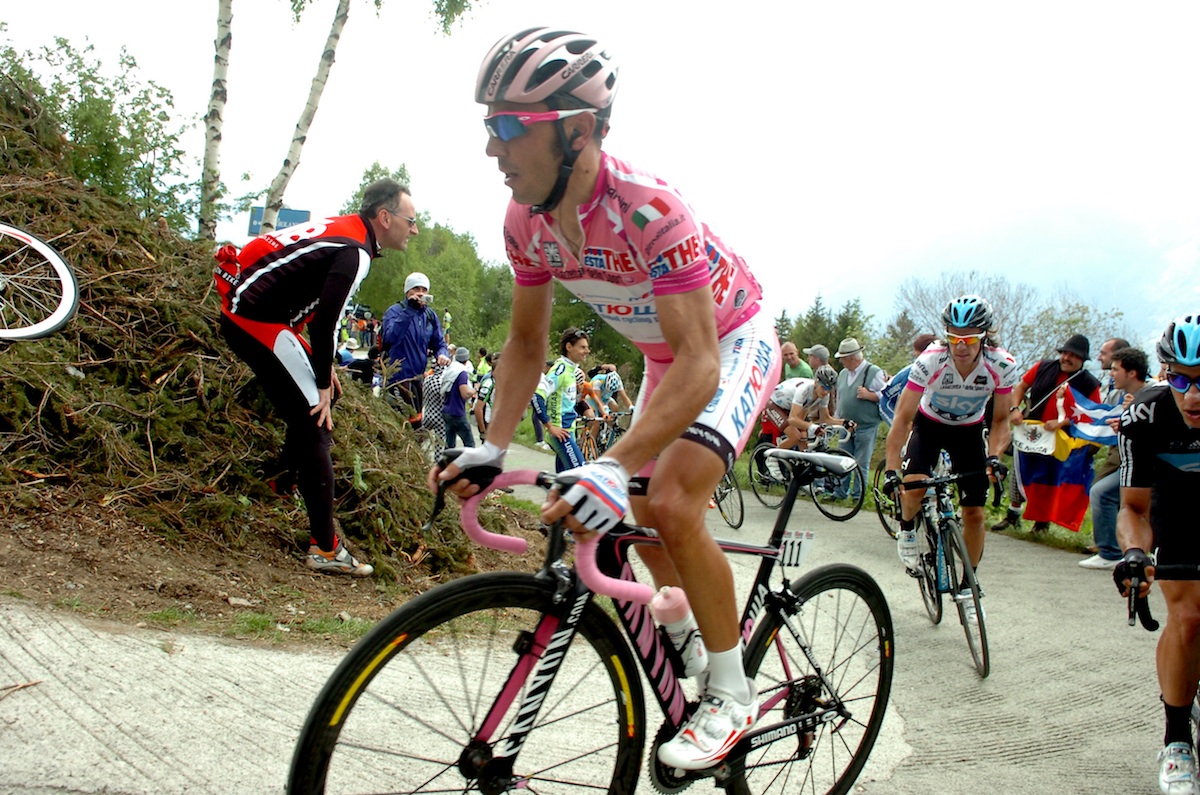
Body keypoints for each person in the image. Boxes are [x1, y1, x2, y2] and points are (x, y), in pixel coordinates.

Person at [432, 28, 780, 772]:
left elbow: (700, 361)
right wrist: (493, 445)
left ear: (578, 130)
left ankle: (732, 693)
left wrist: (615, 460)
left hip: (728, 341)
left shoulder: (651, 209)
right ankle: (686, 623)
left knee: (674, 501)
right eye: (486, 125)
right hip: (669, 356)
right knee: (641, 512)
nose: (492, 147)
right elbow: (526, 345)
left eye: (507, 127)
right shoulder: (523, 222)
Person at [214, 177, 418, 577]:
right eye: (411, 220)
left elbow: (302, 293)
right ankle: (324, 548)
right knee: (317, 419)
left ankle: (280, 478)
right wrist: (321, 381)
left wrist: (324, 376)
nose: (414, 229)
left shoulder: (350, 232)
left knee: (328, 399)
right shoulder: (355, 251)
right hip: (252, 317)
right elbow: (326, 323)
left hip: (260, 310)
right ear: (384, 217)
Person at [884, 296, 1017, 621]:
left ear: (984, 336)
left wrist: (994, 456)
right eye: (954, 337)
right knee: (913, 489)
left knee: (974, 513)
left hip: (969, 432)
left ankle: (968, 585)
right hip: (929, 427)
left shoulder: (1001, 365)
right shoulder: (930, 361)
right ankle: (907, 529)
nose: (961, 346)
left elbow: (1000, 421)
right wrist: (890, 470)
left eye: (970, 338)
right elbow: (903, 418)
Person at [1112, 314, 1200, 795]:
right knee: (1188, 619)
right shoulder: (1144, 414)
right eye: (1180, 379)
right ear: (1166, 372)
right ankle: (1177, 741)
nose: (1193, 397)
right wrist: (1134, 554)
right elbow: (1133, 508)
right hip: (1178, 509)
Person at [993, 333, 1102, 533]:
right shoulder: (1043, 367)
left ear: (1082, 360)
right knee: (1020, 472)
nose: (1067, 358)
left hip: (1059, 439)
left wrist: (1063, 423)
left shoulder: (1089, 383)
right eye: (1065, 353)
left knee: (1048, 479)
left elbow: (1092, 415)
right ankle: (1012, 514)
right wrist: (1014, 409)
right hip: (1030, 430)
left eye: (1073, 356)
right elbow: (1021, 387)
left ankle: (1041, 523)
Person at [1080, 346, 1151, 569]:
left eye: (1116, 369)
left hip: (1151, 464)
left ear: (1131, 373)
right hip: (1128, 460)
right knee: (1104, 492)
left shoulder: (1153, 395)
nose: (1111, 373)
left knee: (1103, 493)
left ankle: (1112, 553)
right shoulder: (1117, 395)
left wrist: (1135, 416)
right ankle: (1118, 550)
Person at [380, 271, 448, 429]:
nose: (420, 293)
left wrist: (442, 355)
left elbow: (439, 343)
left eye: (424, 290)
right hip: (396, 379)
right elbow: (390, 338)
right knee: (397, 425)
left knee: (416, 424)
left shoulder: (430, 316)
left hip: (417, 380)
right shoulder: (395, 311)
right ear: (407, 291)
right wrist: (409, 311)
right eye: (416, 289)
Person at [833, 337, 887, 501]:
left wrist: (869, 395)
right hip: (846, 426)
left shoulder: (873, 372)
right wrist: (836, 418)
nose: (841, 361)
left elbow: (886, 395)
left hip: (866, 425)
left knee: (861, 462)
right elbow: (840, 398)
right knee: (843, 459)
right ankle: (840, 493)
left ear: (851, 357)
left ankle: (858, 496)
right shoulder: (843, 374)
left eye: (843, 358)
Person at [532, 328, 590, 472]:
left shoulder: (571, 370)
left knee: (563, 479)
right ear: (569, 347)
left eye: (587, 347)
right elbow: (536, 396)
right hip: (561, 433)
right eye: (582, 347)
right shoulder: (561, 370)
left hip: (569, 430)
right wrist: (550, 426)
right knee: (579, 473)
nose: (587, 351)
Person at [762, 366, 846, 451]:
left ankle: (801, 462)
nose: (826, 392)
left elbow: (825, 419)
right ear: (816, 382)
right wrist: (812, 427)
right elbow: (792, 419)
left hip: (791, 406)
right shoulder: (804, 389)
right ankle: (772, 457)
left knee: (804, 437)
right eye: (823, 387)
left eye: (829, 389)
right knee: (795, 436)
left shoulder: (824, 395)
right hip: (774, 404)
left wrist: (844, 423)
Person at [442, 346, 476, 449]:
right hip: (457, 412)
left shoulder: (450, 370)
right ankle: (469, 465)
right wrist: (474, 390)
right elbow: (464, 393)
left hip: (446, 410)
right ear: (466, 360)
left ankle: (447, 464)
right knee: (469, 444)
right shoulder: (461, 373)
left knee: (449, 445)